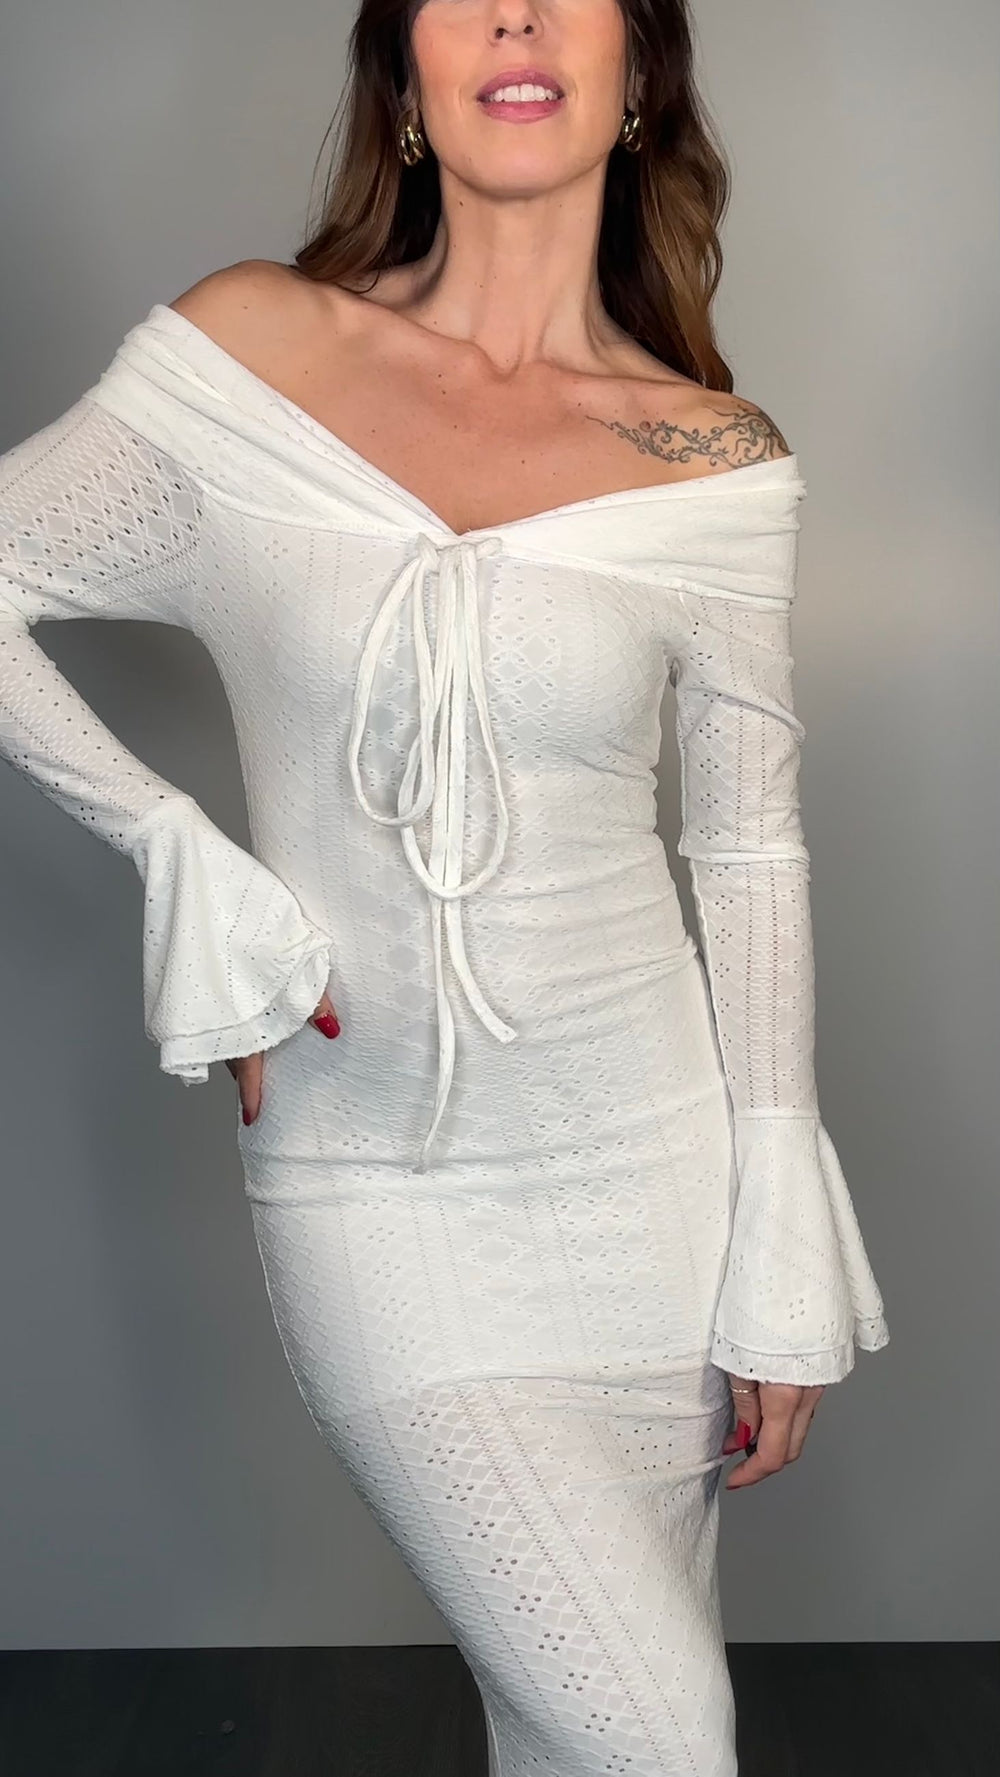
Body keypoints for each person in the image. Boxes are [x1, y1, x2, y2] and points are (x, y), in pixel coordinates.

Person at [0, 2, 890, 1771]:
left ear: (640, 74)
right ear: (403, 72)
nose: (514, 11)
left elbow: (747, 851)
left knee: (561, 1734)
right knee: (658, 1740)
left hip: (659, 1182)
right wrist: (182, 856)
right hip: (382, 1188)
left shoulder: (712, 458)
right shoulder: (252, 356)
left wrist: (778, 1229)